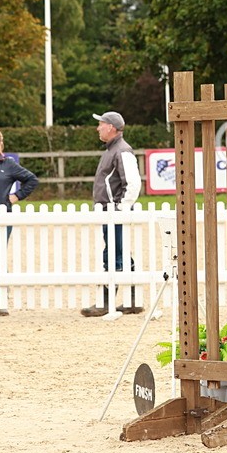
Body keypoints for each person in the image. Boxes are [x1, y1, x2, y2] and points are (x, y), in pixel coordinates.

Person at [83, 111, 143, 317]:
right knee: (120, 253)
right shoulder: (113, 149)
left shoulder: (122, 150)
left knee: (114, 254)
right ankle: (134, 299)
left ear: (111, 127)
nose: (98, 128)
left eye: (101, 124)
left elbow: (133, 183)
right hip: (110, 212)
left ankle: (106, 302)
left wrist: (121, 208)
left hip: (114, 212)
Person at [0, 128, 40, 316]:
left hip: (2, 217)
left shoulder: (8, 164)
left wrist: (16, 196)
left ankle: (1, 301)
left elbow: (31, 180)